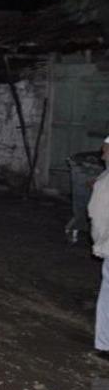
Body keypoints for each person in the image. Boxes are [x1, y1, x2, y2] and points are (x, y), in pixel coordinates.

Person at [89, 136, 109, 359]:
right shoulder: (104, 180)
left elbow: (96, 216)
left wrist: (100, 241)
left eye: (105, 152)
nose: (102, 156)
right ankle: (104, 343)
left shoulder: (105, 182)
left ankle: (104, 343)